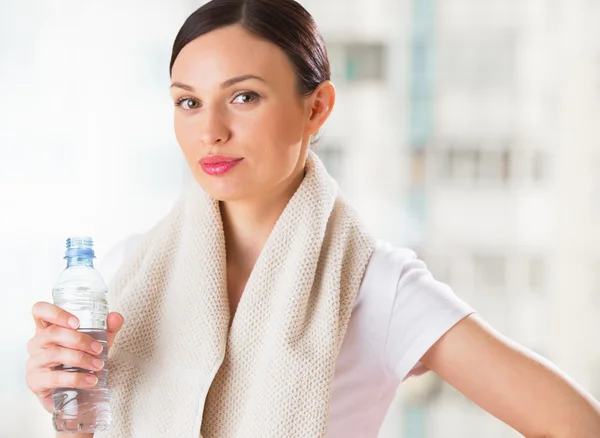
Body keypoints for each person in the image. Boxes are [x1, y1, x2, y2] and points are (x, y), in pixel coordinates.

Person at [26, 0, 600, 437]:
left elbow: (576, 423)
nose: (211, 130)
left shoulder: (378, 288)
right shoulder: (132, 270)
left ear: (317, 107)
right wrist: (66, 406)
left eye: (244, 97)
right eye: (188, 101)